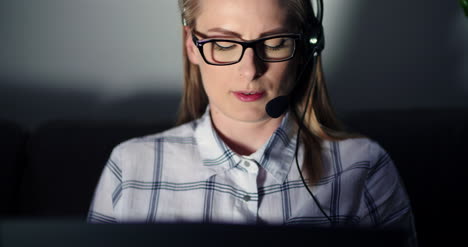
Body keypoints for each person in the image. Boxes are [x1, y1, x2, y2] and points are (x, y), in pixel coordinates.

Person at [88, 0, 416, 245]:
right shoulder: (129, 166)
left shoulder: (364, 166)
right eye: (223, 43)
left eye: (274, 43)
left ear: (307, 47)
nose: (249, 71)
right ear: (191, 44)